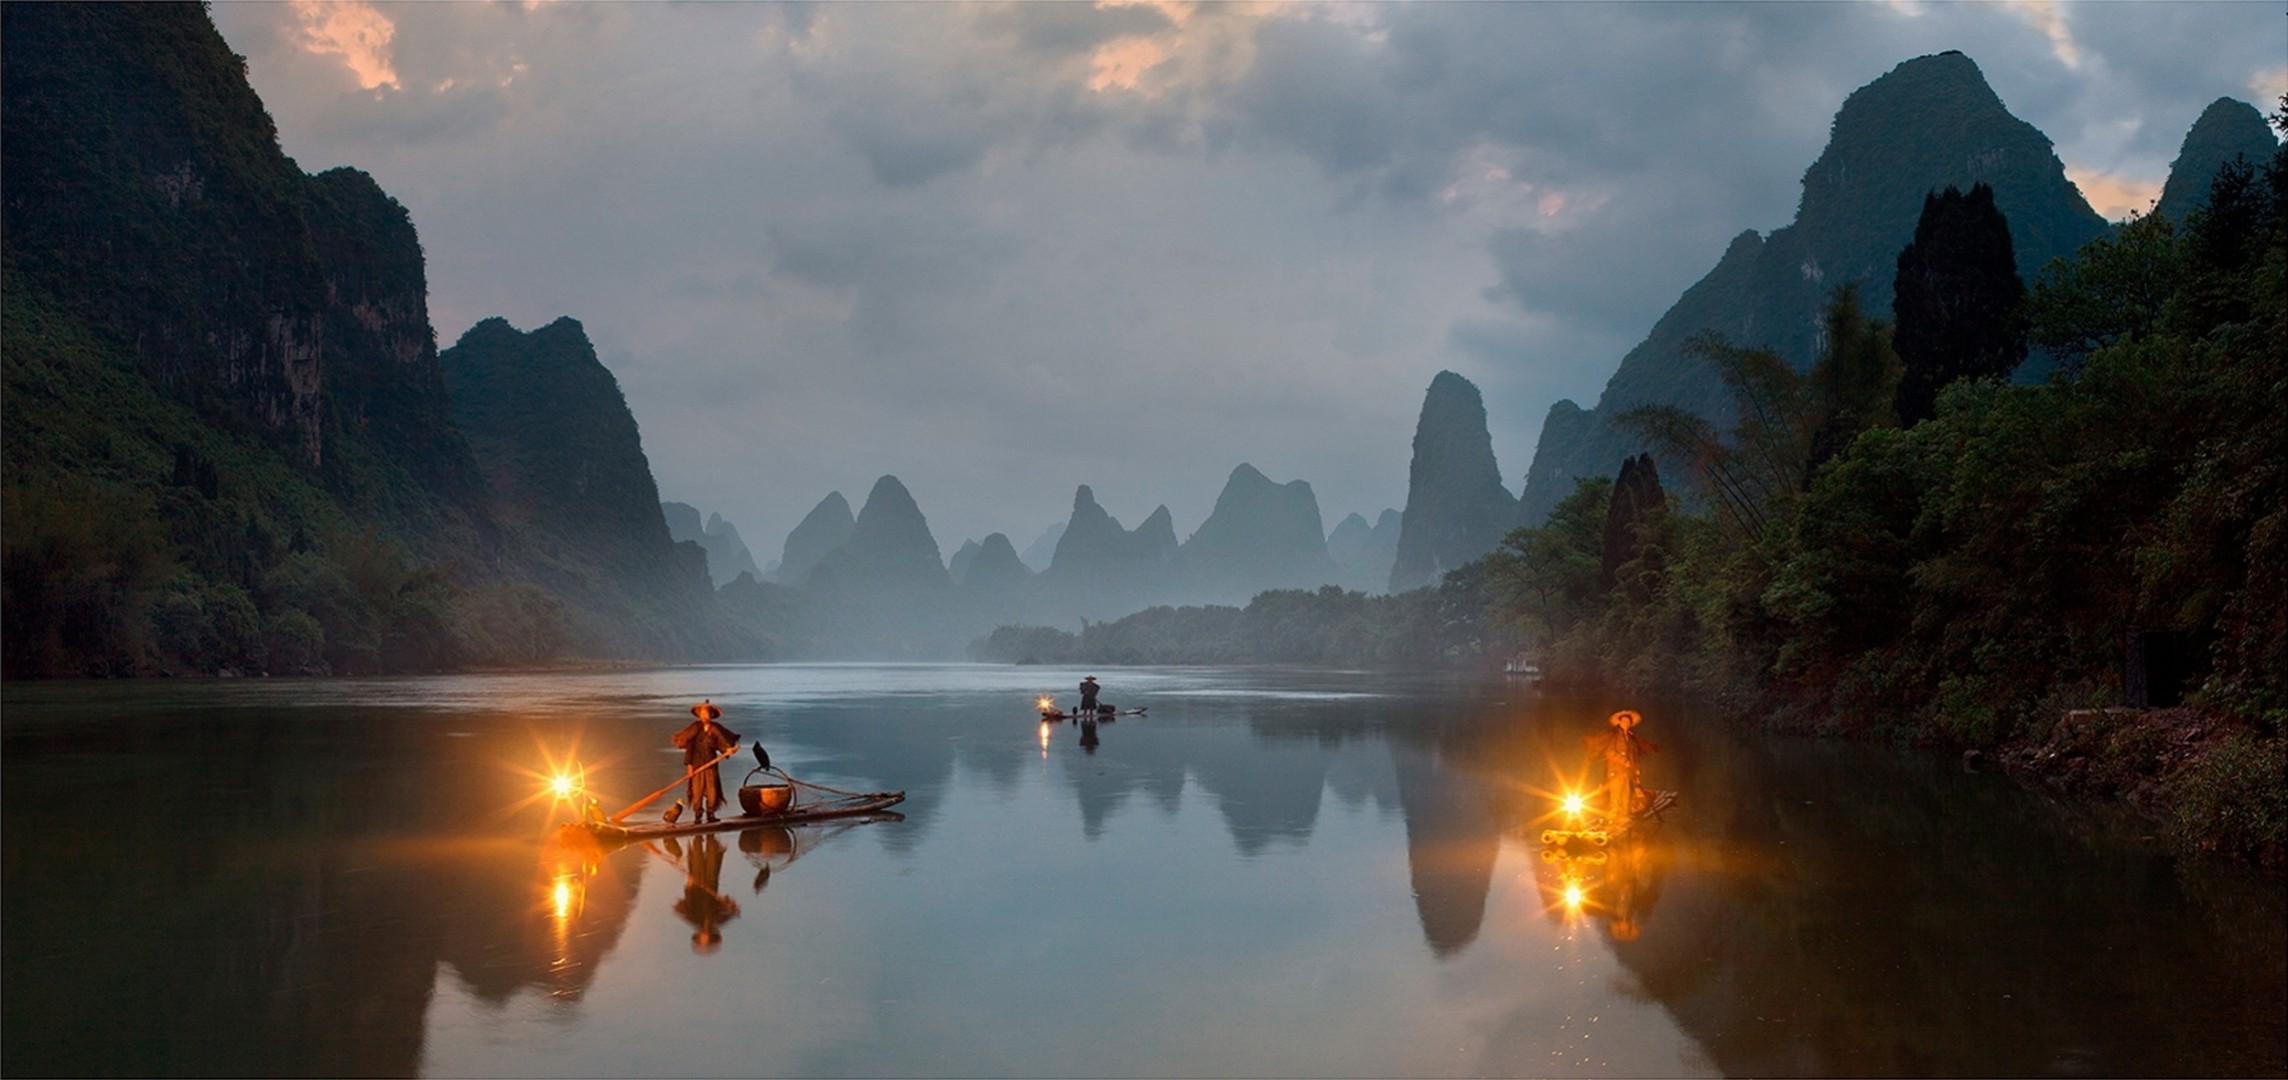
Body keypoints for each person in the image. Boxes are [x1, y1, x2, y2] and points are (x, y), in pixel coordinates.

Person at [1583, 709, 1658, 826]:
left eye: (1628, 722)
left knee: (1626, 796)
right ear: (1619, 722)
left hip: (1627, 773)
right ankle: (1614, 818)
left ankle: (1624, 817)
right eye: (1624, 721)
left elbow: (1634, 758)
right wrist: (1623, 760)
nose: (1626, 723)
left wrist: (1636, 775)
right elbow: (1610, 752)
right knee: (1616, 795)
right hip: (1616, 771)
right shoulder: (1614, 736)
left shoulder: (1631, 739)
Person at [674, 700, 741, 824]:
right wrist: (689, 767)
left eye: (707, 714)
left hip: (711, 763)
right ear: (699, 715)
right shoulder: (695, 728)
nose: (704, 716)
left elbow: (722, 742)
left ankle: (711, 814)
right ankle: (698, 815)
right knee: (697, 791)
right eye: (702, 714)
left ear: (711, 715)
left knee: (712, 791)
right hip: (696, 764)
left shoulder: (715, 728)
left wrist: (729, 750)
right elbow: (689, 748)